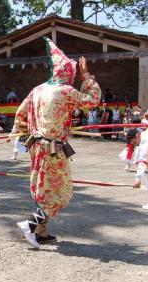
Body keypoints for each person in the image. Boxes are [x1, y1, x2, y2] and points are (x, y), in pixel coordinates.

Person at [13, 38, 101, 248]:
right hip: (53, 149)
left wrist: (30, 135)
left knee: (43, 189)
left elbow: (20, 114)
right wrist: (86, 76)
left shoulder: (38, 89)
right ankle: (30, 224)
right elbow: (92, 100)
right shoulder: (65, 91)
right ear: (68, 73)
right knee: (60, 191)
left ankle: (41, 232)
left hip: (37, 147)